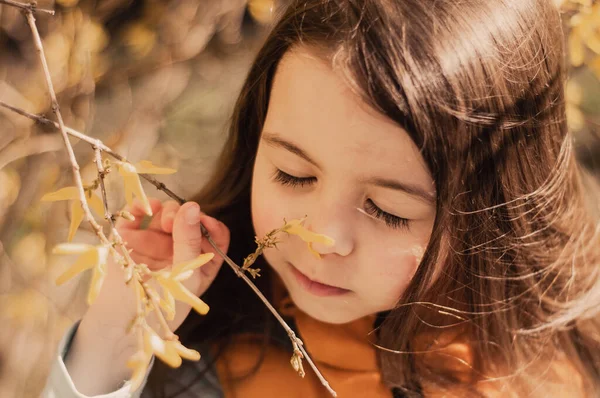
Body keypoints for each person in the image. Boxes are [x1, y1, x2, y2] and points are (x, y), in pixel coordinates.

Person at [42, 0, 600, 397]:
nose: (323, 238)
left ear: (496, 211)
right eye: (292, 175)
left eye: (390, 209)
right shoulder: (197, 366)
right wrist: (112, 344)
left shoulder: (568, 368)